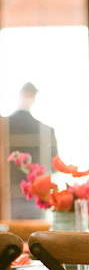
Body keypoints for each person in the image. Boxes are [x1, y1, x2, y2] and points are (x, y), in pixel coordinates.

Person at [7, 82, 58, 219]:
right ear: (34, 98)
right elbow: (53, 167)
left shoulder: (3, 126)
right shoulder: (46, 130)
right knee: (33, 237)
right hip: (33, 201)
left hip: (7, 200)